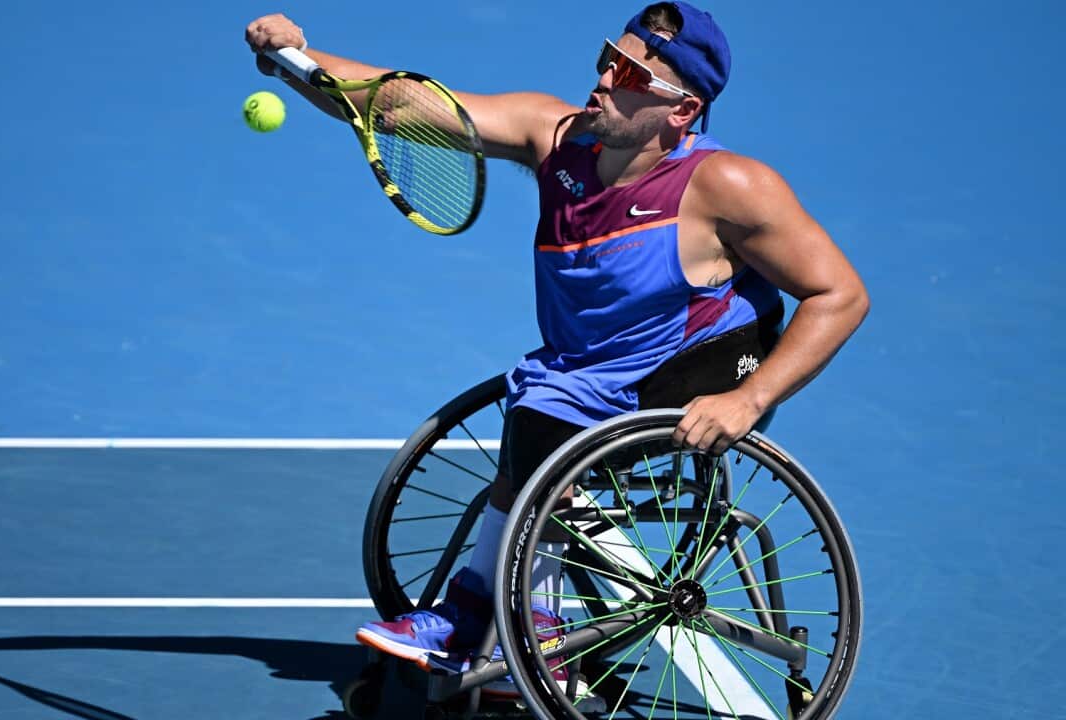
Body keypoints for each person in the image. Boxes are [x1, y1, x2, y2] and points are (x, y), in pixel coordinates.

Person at [245, 0, 869, 679]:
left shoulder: (728, 186)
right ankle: (510, 617)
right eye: (609, 58)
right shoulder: (558, 138)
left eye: (630, 74)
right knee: (543, 406)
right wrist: (300, 60)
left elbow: (840, 295)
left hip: (709, 364)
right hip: (594, 368)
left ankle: (503, 625)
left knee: (544, 418)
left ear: (681, 111)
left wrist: (749, 401)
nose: (604, 77)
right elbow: (398, 106)